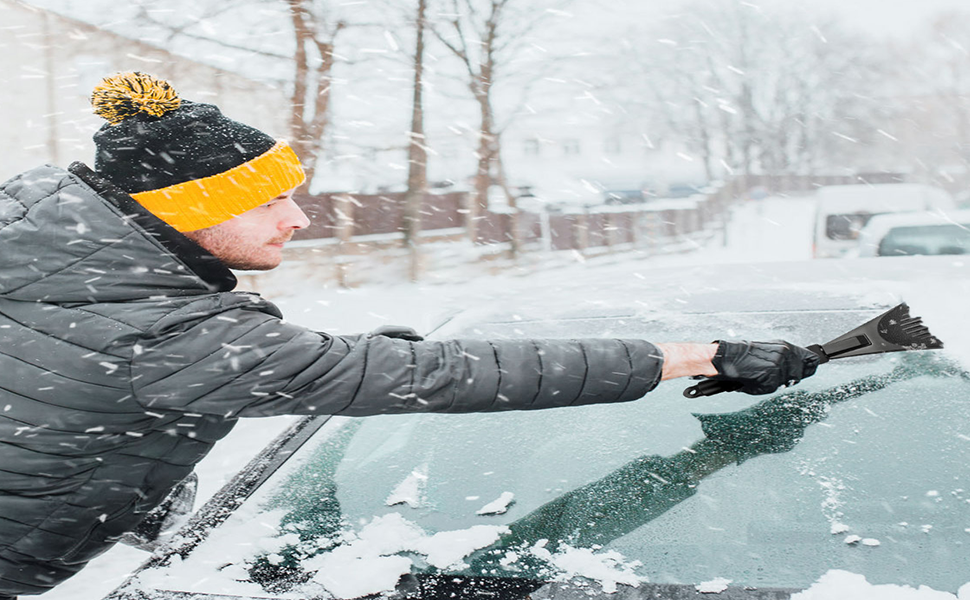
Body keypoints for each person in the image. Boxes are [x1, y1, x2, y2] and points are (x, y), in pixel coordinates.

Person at [0, 72, 819, 599]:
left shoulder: (44, 258)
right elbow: (449, 376)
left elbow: (86, 390)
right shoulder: (176, 333)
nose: (299, 218)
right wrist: (698, 354)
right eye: (268, 202)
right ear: (191, 211)